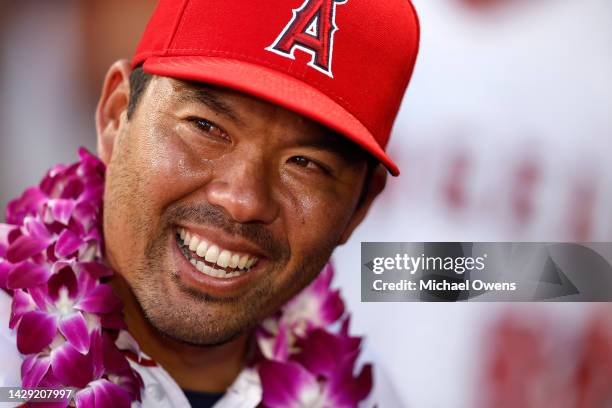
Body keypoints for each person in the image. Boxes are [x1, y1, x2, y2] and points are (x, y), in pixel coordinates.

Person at [0, 0, 419, 406]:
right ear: (115, 115)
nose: (242, 201)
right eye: (206, 126)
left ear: (360, 207)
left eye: (305, 163)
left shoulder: (366, 396)